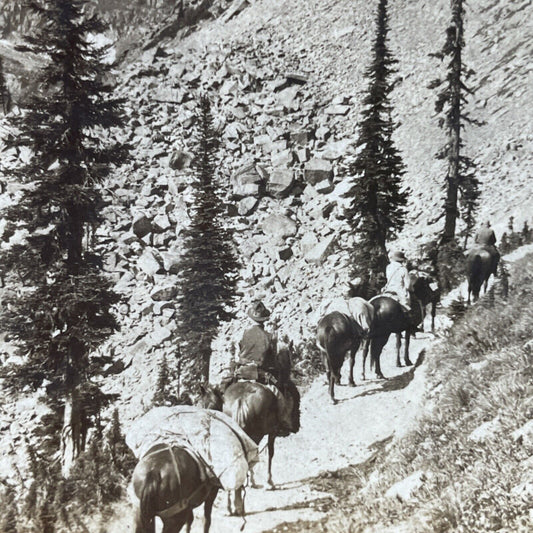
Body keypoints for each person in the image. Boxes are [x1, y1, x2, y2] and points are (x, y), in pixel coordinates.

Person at [227, 300, 293, 436]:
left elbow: (236, 352)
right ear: (264, 320)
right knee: (280, 398)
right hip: (260, 374)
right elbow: (273, 360)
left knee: (225, 391)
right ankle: (283, 422)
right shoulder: (269, 337)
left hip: (242, 372)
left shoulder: (243, 333)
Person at [383, 251, 422, 330]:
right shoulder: (403, 269)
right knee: (414, 305)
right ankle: (412, 325)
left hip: (388, 290)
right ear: (401, 260)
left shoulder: (388, 267)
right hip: (399, 291)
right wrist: (412, 289)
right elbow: (407, 285)